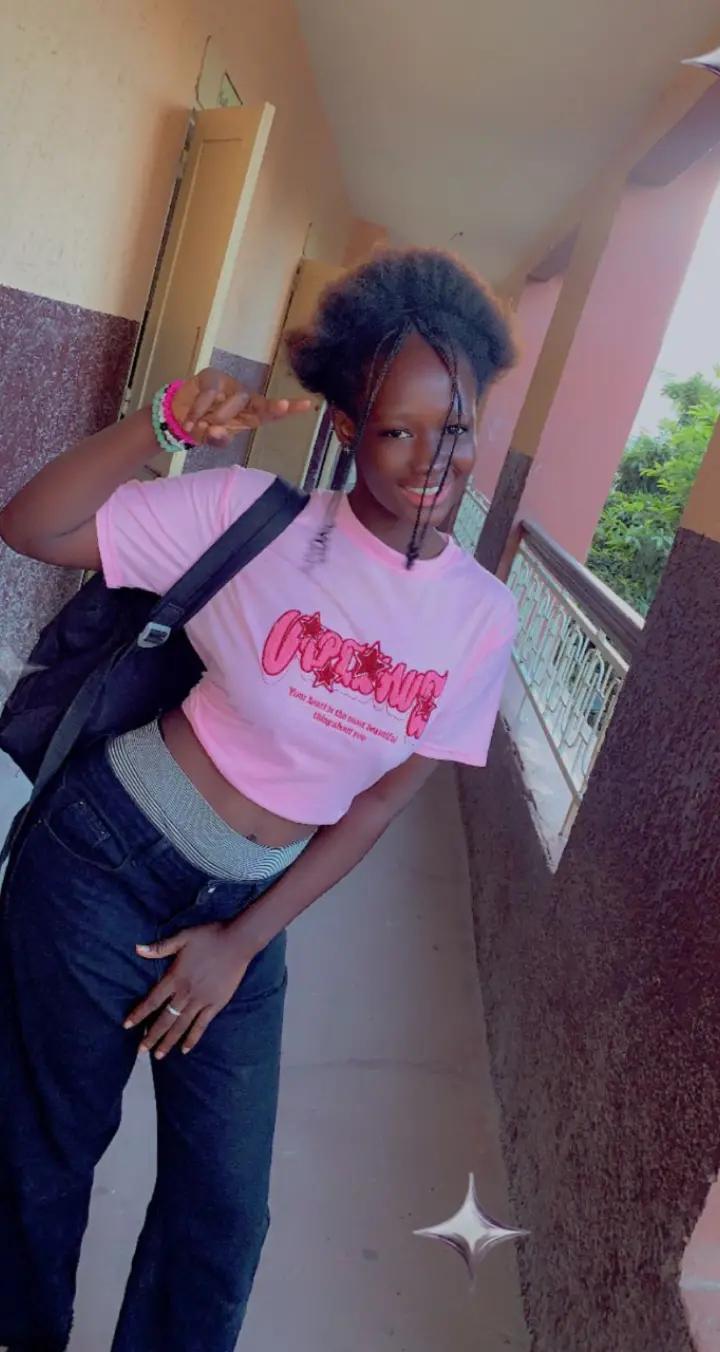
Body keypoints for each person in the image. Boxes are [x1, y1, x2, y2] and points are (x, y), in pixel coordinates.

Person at [0, 248, 517, 1351]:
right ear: (348, 425)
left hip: (248, 905)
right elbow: (31, 526)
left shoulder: (483, 617)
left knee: (224, 1214)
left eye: (458, 428)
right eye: (399, 430)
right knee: (47, 1148)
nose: (433, 460)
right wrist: (161, 425)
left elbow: (373, 807)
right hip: (102, 859)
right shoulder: (256, 519)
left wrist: (239, 943)